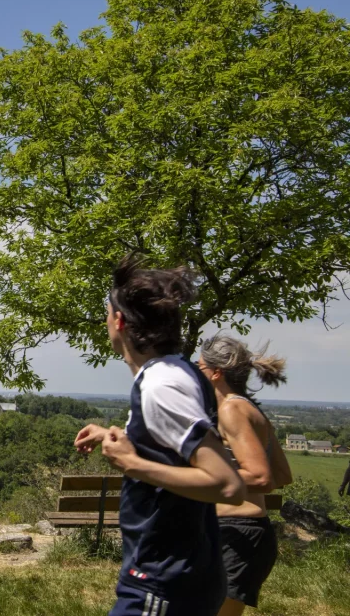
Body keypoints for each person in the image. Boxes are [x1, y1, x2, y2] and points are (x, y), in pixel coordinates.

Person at [75, 255, 245, 616]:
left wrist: (133, 464)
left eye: (107, 312)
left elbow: (226, 484)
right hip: (184, 569)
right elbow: (174, 450)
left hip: (162, 577)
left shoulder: (161, 384)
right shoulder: (177, 371)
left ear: (119, 321)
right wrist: (116, 437)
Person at [197, 334, 291, 616]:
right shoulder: (250, 409)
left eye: (198, 367)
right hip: (240, 533)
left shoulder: (232, 409)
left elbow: (261, 477)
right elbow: (282, 475)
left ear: (215, 373)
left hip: (238, 535)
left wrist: (199, 482)